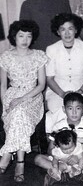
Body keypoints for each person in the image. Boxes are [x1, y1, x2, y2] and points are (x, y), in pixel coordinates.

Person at [0, 20, 48, 182]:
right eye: (21, 36)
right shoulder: (6, 56)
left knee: (19, 112)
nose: (25, 40)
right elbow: (2, 85)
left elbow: (41, 85)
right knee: (16, 114)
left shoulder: (38, 56)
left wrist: (22, 99)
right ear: (14, 37)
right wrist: (4, 106)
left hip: (32, 96)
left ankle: (7, 155)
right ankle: (19, 162)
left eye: (29, 36)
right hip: (12, 95)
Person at [45, 13, 83, 133]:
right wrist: (62, 94)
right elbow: (50, 79)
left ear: (76, 30)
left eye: (70, 29)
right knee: (60, 112)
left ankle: (81, 144)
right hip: (58, 91)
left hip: (81, 90)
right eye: (63, 29)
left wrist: (80, 91)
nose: (67, 33)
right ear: (57, 32)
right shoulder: (51, 49)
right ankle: (59, 146)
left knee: (79, 112)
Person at [34, 92, 83, 183]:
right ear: (64, 109)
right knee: (38, 159)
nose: (74, 112)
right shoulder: (58, 126)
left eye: (78, 108)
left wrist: (78, 157)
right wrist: (61, 157)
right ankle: (73, 172)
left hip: (81, 158)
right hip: (61, 159)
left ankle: (63, 172)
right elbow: (50, 149)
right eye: (70, 108)